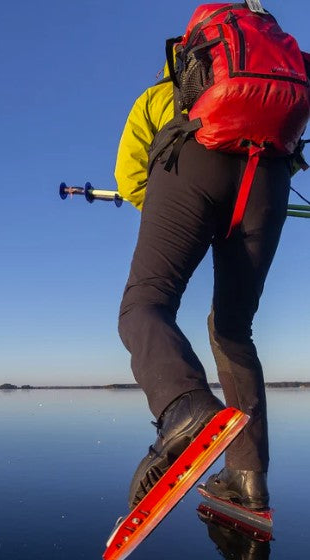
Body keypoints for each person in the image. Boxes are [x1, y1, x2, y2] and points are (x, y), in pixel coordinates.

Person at [115, 45, 307, 510]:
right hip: (270, 179)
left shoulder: (163, 91)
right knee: (233, 329)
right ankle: (248, 478)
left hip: (193, 161)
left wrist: (171, 212)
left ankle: (182, 403)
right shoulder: (276, 79)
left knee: (145, 304)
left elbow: (128, 178)